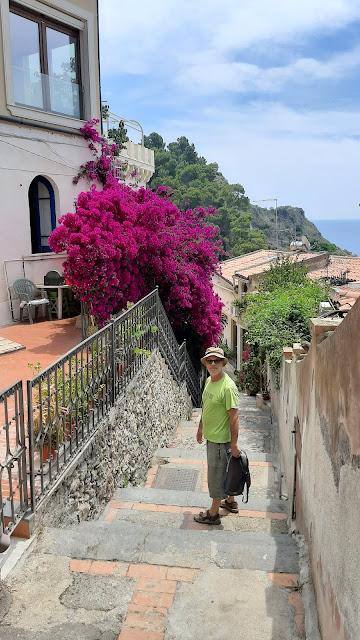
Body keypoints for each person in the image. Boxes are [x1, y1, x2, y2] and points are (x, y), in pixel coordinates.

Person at [194, 346, 240, 525]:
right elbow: (207, 407)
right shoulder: (209, 381)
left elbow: (234, 417)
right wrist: (200, 428)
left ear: (222, 363)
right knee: (226, 471)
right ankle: (229, 501)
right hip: (211, 436)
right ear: (205, 363)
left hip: (221, 441)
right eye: (209, 361)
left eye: (216, 361)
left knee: (215, 475)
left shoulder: (228, 387)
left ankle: (213, 513)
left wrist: (234, 444)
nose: (213, 364)